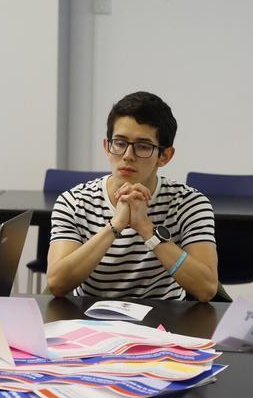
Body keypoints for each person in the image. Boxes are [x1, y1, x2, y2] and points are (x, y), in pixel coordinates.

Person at [47, 91, 218, 301]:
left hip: (164, 316)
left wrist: (146, 228)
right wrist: (115, 225)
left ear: (164, 156)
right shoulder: (73, 202)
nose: (128, 156)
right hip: (91, 315)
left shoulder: (189, 203)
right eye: (120, 143)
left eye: (143, 147)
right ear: (107, 147)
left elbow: (206, 288)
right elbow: (57, 283)